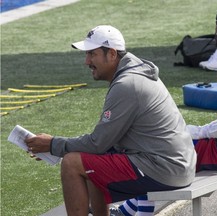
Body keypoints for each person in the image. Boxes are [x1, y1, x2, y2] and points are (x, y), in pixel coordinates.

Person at [111, 4, 217, 216]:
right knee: (166, 143)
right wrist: (203, 129)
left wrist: (202, 132)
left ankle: (140, 212)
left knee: (155, 153)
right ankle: (127, 211)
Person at [25, 25, 197, 216]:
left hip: (166, 170)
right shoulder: (134, 73)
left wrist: (52, 145)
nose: (87, 61)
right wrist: (54, 145)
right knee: (90, 161)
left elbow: (97, 143)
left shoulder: (127, 84)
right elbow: (101, 144)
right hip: (174, 166)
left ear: (112, 54)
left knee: (72, 163)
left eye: (92, 54)